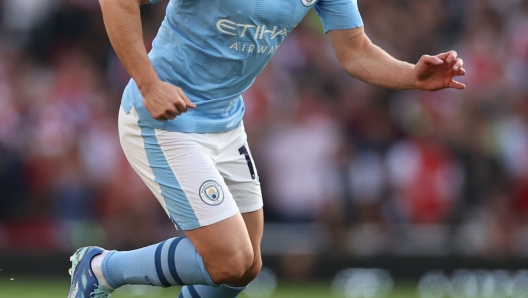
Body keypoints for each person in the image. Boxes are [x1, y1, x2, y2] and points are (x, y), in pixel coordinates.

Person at [68, 0, 466, 297]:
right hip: (164, 121)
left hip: (226, 125)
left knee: (246, 268)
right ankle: (101, 269)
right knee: (229, 260)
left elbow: (355, 51)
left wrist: (411, 76)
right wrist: (149, 83)